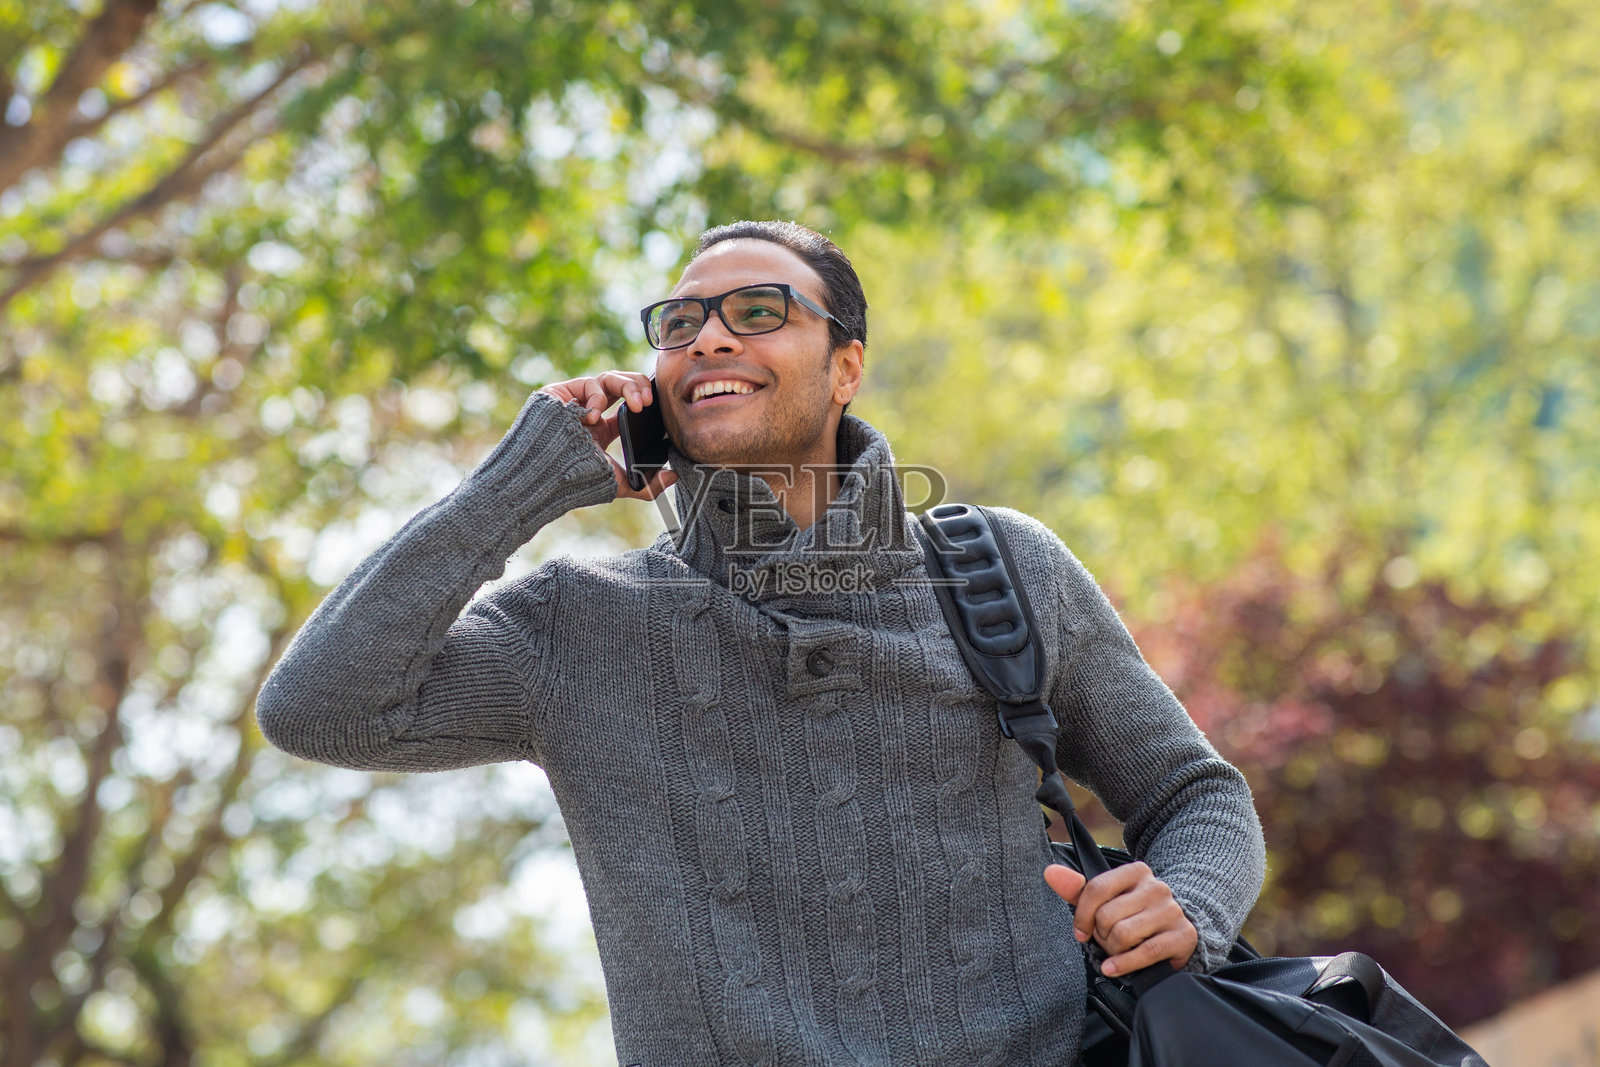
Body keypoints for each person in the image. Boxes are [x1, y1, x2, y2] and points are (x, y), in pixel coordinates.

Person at [256, 220, 1265, 1066]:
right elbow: (320, 706)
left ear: (846, 367)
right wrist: (515, 487)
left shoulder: (1002, 566)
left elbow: (1195, 793)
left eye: (759, 312)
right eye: (680, 322)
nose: (708, 338)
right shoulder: (572, 623)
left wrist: (1186, 905)